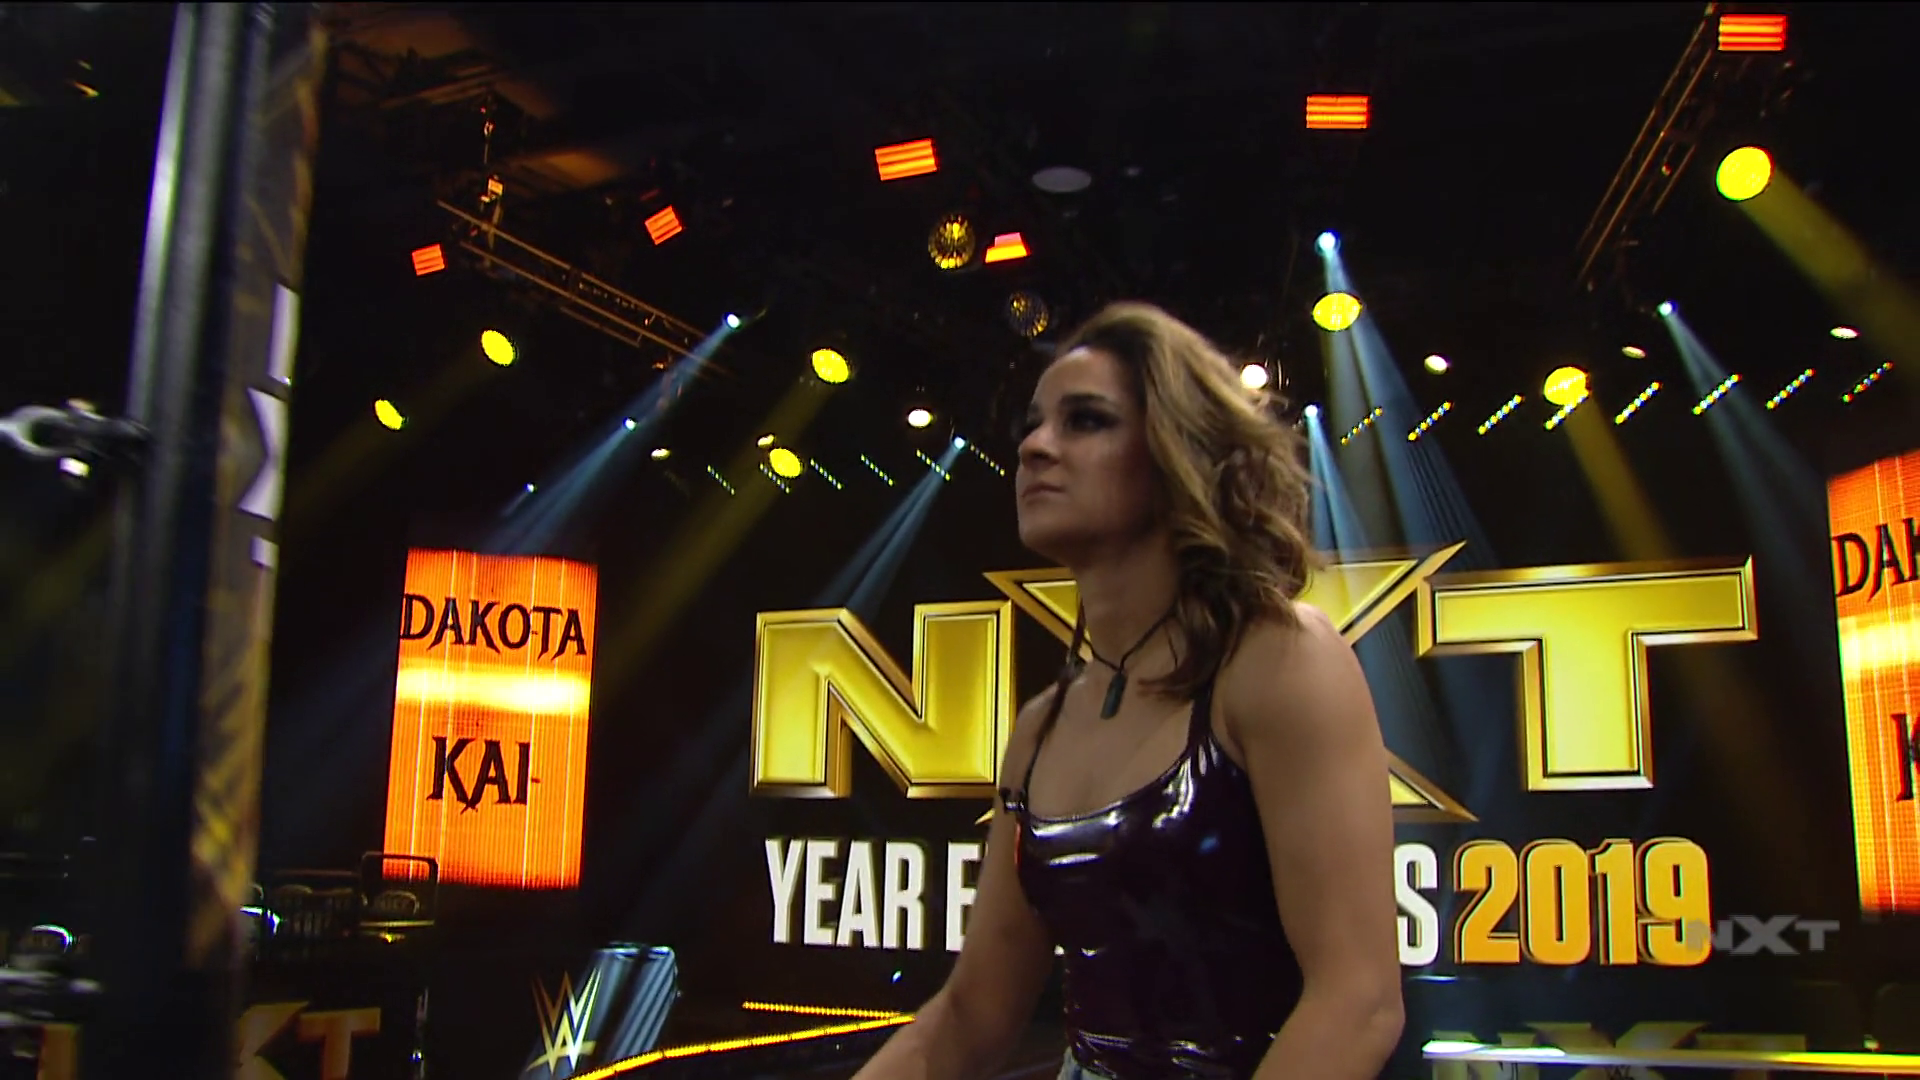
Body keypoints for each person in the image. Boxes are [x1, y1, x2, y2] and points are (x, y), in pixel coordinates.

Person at [851, 302, 1403, 1080]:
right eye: (1033, 425)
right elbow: (972, 1013)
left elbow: (1358, 1003)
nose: (1036, 446)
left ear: (1177, 451)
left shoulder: (1281, 660)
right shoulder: (1039, 727)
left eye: (1087, 421)